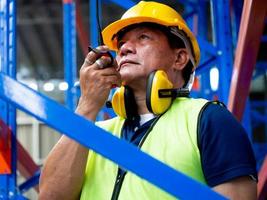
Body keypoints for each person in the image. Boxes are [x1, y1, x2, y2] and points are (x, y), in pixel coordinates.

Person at [39, 1, 257, 199]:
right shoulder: (93, 133)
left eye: (143, 37)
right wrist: (86, 106)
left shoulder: (209, 120)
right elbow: (49, 197)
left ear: (179, 58)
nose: (124, 48)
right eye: (122, 43)